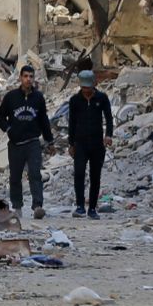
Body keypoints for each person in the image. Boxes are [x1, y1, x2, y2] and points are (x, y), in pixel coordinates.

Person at [0, 65, 54, 220]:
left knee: (35, 174)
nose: (28, 79)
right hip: (15, 144)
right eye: (26, 76)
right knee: (15, 177)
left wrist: (49, 140)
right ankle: (17, 206)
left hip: (33, 142)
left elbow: (43, 120)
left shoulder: (38, 98)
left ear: (34, 79)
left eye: (31, 76)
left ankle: (37, 206)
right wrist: (8, 129)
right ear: (20, 78)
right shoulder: (11, 97)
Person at [65, 70, 115, 218]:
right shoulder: (75, 100)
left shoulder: (102, 98)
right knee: (79, 174)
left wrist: (108, 135)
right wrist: (71, 143)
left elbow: (109, 118)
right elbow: (72, 123)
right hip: (80, 143)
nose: (86, 91)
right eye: (84, 88)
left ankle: (92, 208)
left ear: (95, 84)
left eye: (89, 87)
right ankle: (80, 206)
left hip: (97, 144)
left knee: (95, 175)